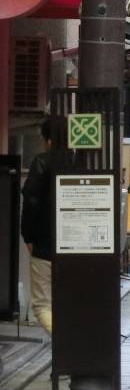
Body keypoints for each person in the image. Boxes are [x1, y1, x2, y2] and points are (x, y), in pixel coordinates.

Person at [21, 119, 57, 334]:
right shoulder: (82, 161)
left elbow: (31, 202)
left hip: (44, 246)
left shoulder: (42, 162)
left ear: (47, 140)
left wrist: (28, 236)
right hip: (79, 250)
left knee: (42, 305)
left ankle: (66, 346)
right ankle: (71, 346)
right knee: (68, 303)